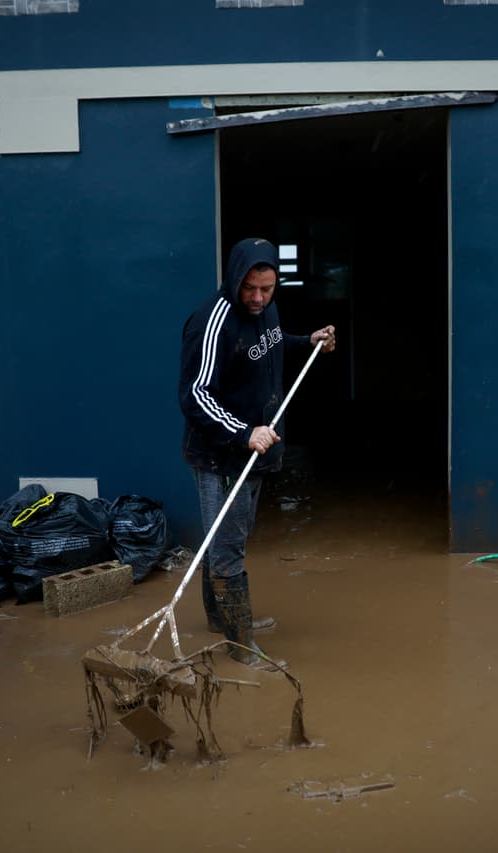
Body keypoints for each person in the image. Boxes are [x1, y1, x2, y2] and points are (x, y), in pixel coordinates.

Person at [178, 237, 336, 671]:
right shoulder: (211, 321)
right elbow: (195, 395)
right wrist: (243, 432)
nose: (258, 298)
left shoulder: (265, 311)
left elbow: (269, 343)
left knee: (226, 537)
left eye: (267, 289)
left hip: (255, 446)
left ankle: (219, 620)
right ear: (235, 278)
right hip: (221, 453)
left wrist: (308, 341)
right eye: (250, 288)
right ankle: (240, 644)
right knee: (228, 546)